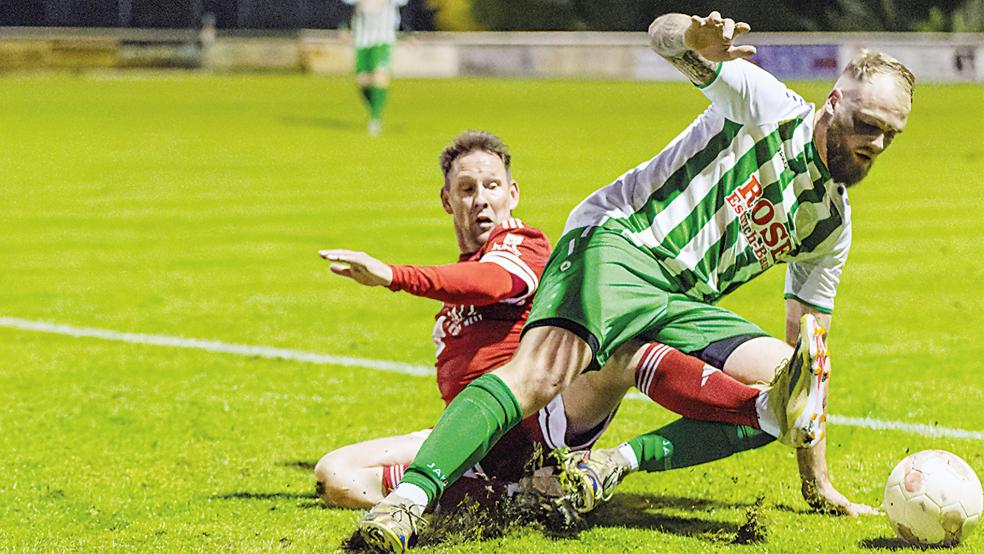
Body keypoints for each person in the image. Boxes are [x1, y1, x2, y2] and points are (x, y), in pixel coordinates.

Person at [359, 9, 914, 551]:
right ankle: (407, 501)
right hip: (622, 242)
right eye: (867, 125)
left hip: (679, 298)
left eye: (891, 133)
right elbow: (664, 37)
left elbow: (808, 356)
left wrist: (814, 478)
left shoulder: (831, 225)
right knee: (540, 375)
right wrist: (687, 34)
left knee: (787, 385)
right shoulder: (768, 106)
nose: (877, 144)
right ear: (834, 101)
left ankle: (613, 463)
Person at [321, 131, 827, 551]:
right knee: (335, 475)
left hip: (547, 416)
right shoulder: (459, 282)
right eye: (468, 188)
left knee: (620, 358)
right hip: (484, 442)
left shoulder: (524, 245)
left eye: (492, 186)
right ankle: (515, 497)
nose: (482, 200)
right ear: (446, 199)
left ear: (512, 193)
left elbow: (493, 284)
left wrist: (393, 274)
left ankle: (760, 408)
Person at [342, 0, 408, 135]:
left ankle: (375, 119)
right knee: (362, 81)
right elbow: (346, 7)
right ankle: (374, 110)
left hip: (383, 39)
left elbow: (403, 6)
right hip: (361, 39)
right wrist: (344, 27)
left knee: (379, 76)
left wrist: (408, 30)